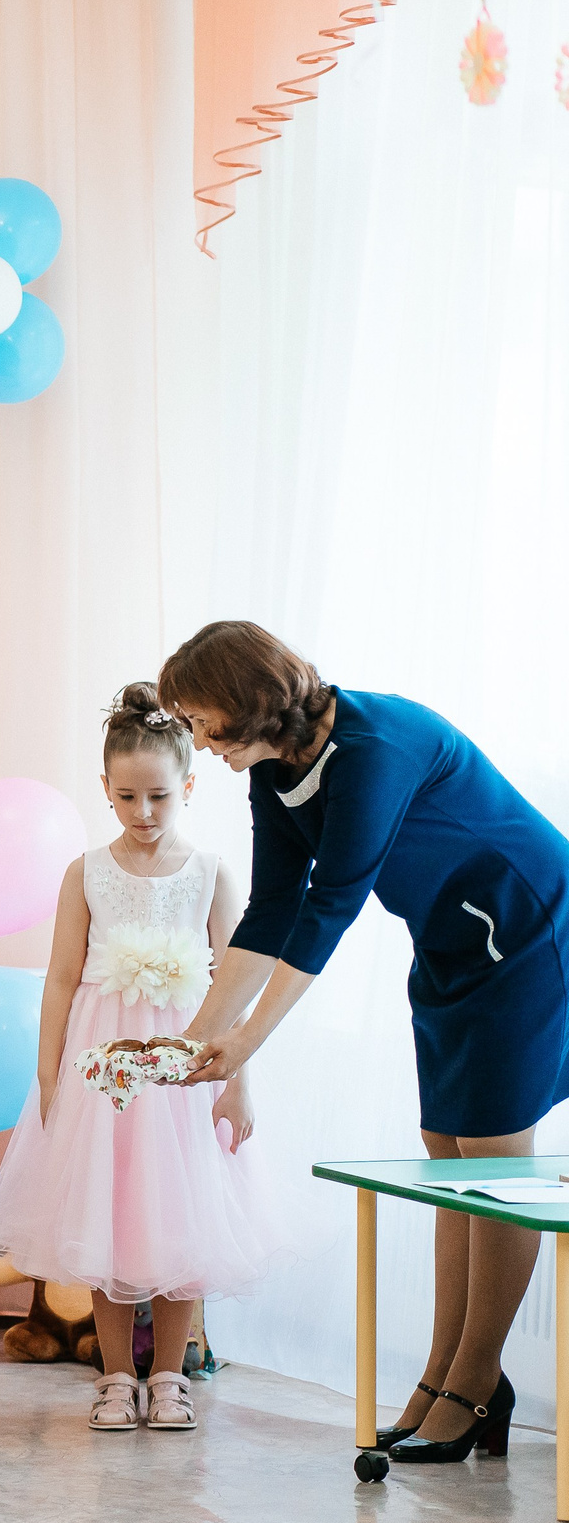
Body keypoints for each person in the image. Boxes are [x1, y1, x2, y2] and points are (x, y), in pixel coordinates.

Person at [162, 621, 569, 1462]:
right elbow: (273, 907)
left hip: (530, 934)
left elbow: (332, 906)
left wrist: (246, 1043)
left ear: (247, 703)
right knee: (447, 1155)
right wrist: (197, 1035)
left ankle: (472, 1384)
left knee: (494, 1162)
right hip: (453, 947)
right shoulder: (273, 772)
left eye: (202, 722)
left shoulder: (374, 746)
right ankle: (446, 1378)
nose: (199, 744)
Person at [0, 684, 295, 1433]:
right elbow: (59, 978)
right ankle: (116, 1374)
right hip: (103, 1062)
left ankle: (172, 1375)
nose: (143, 813)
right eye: (127, 797)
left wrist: (237, 1084)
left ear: (187, 786)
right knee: (109, 1213)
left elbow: (232, 981)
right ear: (105, 790)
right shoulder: (85, 872)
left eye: (159, 796)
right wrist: (51, 1068)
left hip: (185, 1064)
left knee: (180, 1218)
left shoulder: (210, 871)